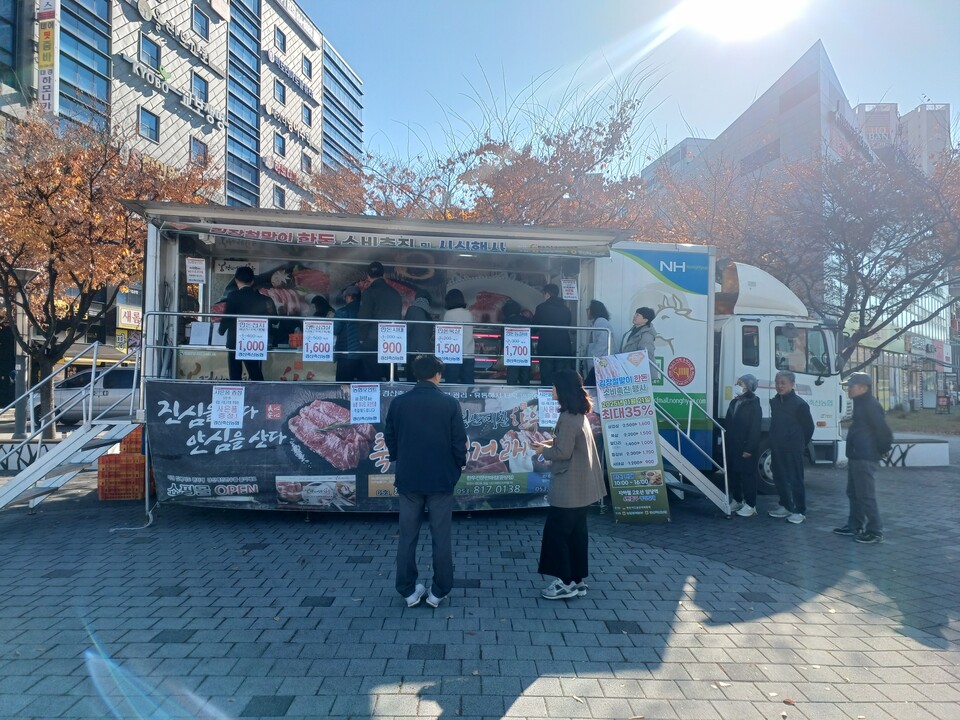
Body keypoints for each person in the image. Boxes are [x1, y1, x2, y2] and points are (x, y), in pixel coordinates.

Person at [383, 354, 468, 608]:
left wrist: (400, 457)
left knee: (407, 535)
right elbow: (458, 443)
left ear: (416, 374)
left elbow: (390, 437)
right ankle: (439, 591)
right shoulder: (449, 404)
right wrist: (457, 467)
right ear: (437, 375)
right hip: (441, 479)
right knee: (441, 536)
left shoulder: (399, 403)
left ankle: (408, 590)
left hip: (409, 479)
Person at [530, 369, 608, 600]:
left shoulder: (567, 417)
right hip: (583, 487)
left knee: (557, 535)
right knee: (576, 535)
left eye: (554, 386)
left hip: (569, 488)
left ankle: (564, 583)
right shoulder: (578, 415)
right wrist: (547, 442)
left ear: (562, 389)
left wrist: (544, 450)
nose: (552, 390)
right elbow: (568, 442)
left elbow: (562, 451)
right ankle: (577, 579)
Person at [835, 372, 892, 544]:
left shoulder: (871, 405)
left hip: (865, 457)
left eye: (851, 386)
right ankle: (855, 525)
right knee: (853, 493)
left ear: (863, 388)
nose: (848, 389)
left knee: (865, 495)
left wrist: (884, 448)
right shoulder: (860, 403)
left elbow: (883, 430)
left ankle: (875, 531)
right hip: (857, 455)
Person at [767, 371, 815, 524]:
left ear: (792, 384)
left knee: (795, 479)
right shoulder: (774, 402)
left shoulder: (800, 404)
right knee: (779, 478)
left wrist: (799, 443)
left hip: (793, 448)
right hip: (777, 447)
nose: (779, 386)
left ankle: (799, 511)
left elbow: (808, 427)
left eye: (783, 383)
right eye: (777, 383)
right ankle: (786, 506)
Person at [217, 266, 276, 381]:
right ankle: (258, 395)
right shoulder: (264, 299)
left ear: (236, 280)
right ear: (253, 281)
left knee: (235, 373)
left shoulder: (233, 296)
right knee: (255, 371)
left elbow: (227, 317)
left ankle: (237, 395)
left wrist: (221, 330)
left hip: (235, 341)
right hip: (254, 341)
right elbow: (275, 320)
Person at [357, 261, 403, 381]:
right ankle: (392, 396)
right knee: (391, 373)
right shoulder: (395, 293)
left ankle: (375, 398)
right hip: (392, 338)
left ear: (368, 276)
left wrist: (362, 338)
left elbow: (364, 317)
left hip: (372, 338)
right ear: (383, 275)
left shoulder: (369, 292)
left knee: (371, 373)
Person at [725, 374, 762, 517]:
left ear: (748, 387)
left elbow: (755, 428)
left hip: (745, 446)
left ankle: (751, 505)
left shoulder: (754, 404)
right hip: (733, 444)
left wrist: (749, 449)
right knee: (734, 473)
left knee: (747, 476)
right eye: (737, 383)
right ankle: (737, 500)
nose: (737, 385)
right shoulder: (734, 403)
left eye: (740, 383)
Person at [532, 283, 573, 387]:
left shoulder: (541, 308)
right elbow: (568, 324)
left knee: (547, 375)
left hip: (547, 346)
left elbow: (535, 326)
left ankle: (547, 399)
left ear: (547, 294)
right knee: (561, 376)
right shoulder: (566, 309)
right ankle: (561, 399)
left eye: (543, 294)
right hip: (563, 346)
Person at [441, 289, 475, 384]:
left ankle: (452, 398)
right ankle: (469, 399)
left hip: (453, 353)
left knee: (451, 381)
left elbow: (445, 334)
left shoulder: (448, 314)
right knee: (468, 381)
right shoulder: (468, 313)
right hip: (468, 352)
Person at [334, 285, 363, 382]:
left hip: (346, 355)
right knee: (361, 388)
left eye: (345, 297)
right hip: (364, 355)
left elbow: (334, 330)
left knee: (343, 387)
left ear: (350, 296)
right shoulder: (367, 311)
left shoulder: (342, 312)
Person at [404, 292, 434, 383]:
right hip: (426, 350)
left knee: (411, 378)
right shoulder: (429, 313)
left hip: (414, 350)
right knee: (424, 378)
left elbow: (406, 329)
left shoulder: (412, 309)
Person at [501, 299, 530, 386]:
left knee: (512, 379)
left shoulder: (506, 322)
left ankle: (512, 398)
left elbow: (503, 339)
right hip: (526, 353)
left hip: (512, 354)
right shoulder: (526, 320)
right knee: (525, 378)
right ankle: (526, 398)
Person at [583, 300, 613, 386]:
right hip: (601, 360)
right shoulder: (598, 322)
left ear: (593, 310)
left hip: (601, 361)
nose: (587, 311)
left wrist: (592, 356)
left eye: (588, 309)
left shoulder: (600, 322)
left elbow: (603, 342)